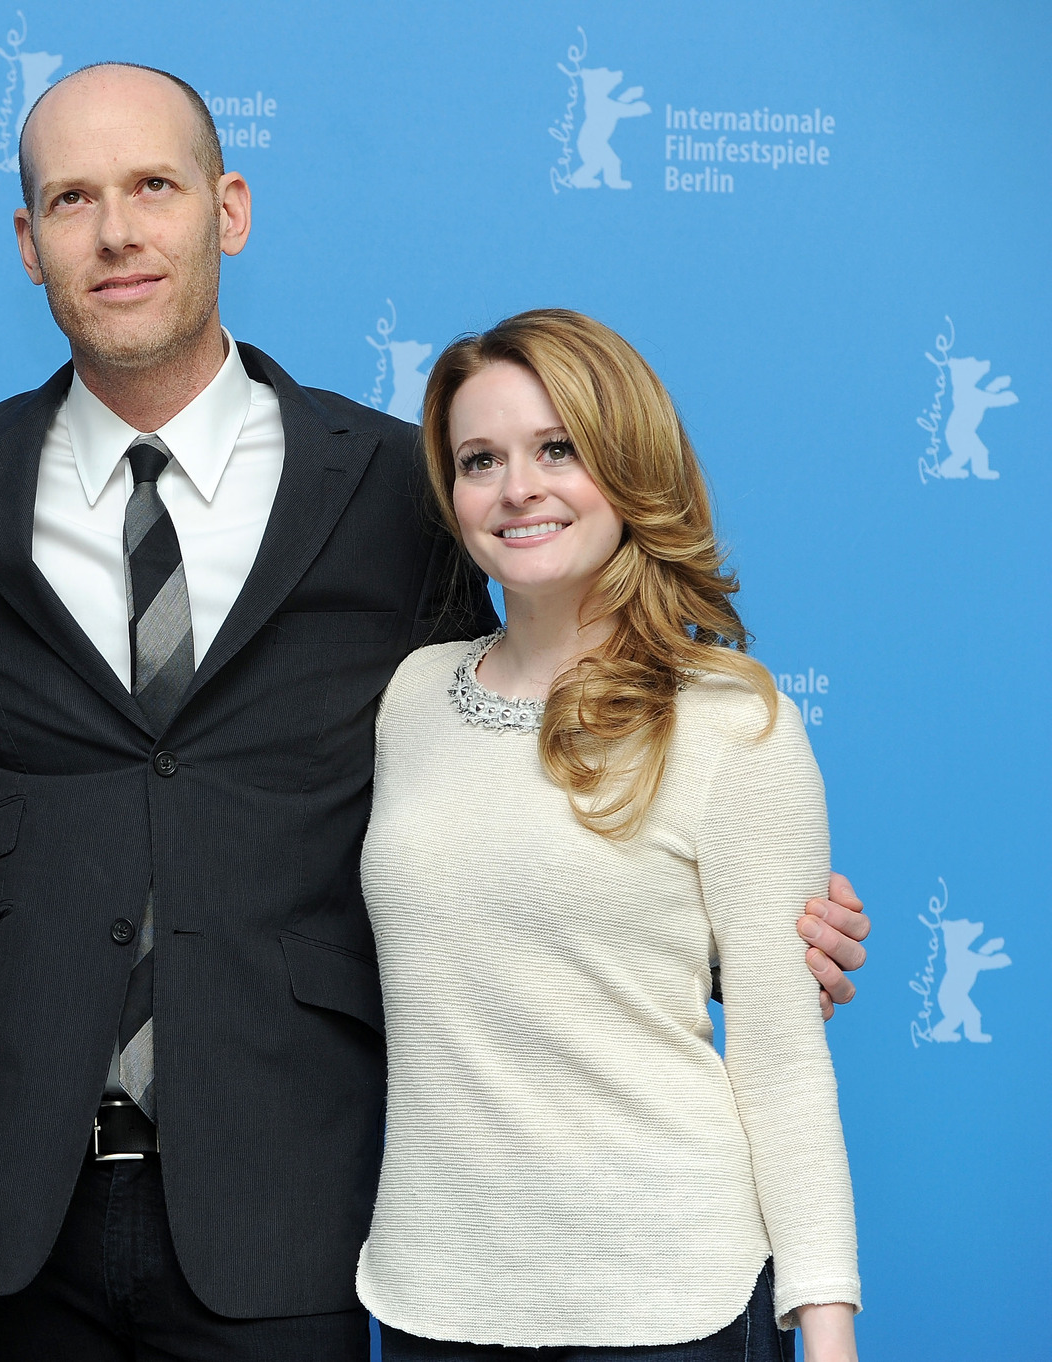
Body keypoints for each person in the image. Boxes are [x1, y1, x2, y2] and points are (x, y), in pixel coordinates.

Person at [0, 64, 873, 1362]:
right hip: (0, 1195)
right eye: (73, 198)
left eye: (154, 187)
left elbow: (551, 750)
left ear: (227, 207)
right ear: (28, 242)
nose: (116, 231)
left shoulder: (391, 491)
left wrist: (741, 926)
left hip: (290, 1203)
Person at [360, 310, 859, 1362]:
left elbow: (779, 1057)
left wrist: (826, 1331)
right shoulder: (406, 700)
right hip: (429, 1299)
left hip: (662, 1301)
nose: (516, 489)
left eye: (557, 450)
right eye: (478, 460)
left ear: (626, 463)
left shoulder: (732, 724)